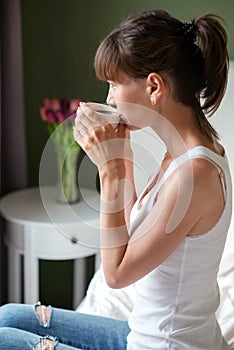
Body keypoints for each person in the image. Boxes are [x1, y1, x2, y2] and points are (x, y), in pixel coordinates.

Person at [0, 8, 232, 350]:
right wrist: (121, 157)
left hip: (165, 346)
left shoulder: (195, 174)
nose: (109, 98)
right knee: (8, 317)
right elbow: (133, 230)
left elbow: (117, 274)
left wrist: (109, 171)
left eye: (113, 84)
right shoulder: (181, 153)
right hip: (140, 334)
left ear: (154, 86)